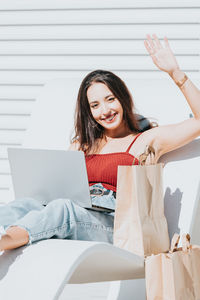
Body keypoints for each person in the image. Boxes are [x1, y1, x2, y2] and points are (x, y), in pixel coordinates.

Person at [0, 33, 200, 252]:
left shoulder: (146, 140)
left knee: (63, 209)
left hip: (116, 226)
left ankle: (5, 240)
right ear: (89, 111)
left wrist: (175, 73)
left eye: (110, 99)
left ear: (122, 99)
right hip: (77, 215)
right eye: (95, 105)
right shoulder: (81, 146)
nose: (105, 111)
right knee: (23, 205)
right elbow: (58, 191)